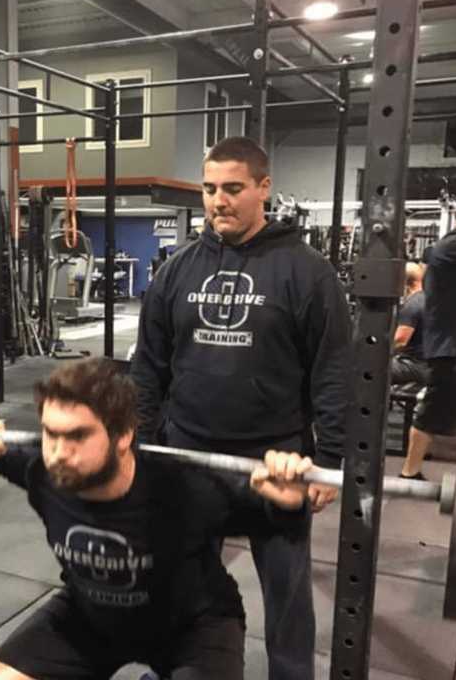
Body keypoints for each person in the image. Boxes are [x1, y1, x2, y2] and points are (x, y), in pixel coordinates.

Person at [131, 136, 352, 680]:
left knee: (287, 599)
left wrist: (333, 459)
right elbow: (149, 367)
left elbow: (332, 371)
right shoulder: (177, 271)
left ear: (263, 188)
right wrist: (145, 442)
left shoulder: (307, 272)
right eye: (209, 189)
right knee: (184, 585)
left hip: (274, 461)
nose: (218, 201)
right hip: (189, 458)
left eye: (232, 188)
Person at [0, 358, 314, 680]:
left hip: (191, 628)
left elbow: (272, 519)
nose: (58, 452)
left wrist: (288, 501)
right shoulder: (43, 472)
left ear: (123, 436)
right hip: (90, 618)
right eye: (50, 433)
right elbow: (1, 455)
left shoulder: (184, 489)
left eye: (77, 436)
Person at [400, 213, 456, 480]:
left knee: (436, 408)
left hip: (455, 346)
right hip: (452, 349)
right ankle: (409, 471)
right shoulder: (453, 245)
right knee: (433, 410)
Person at [391, 262, 429, 386]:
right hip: (431, 365)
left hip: (416, 366)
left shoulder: (413, 304)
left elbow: (400, 341)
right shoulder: (431, 298)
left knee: (369, 367)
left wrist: (375, 352)